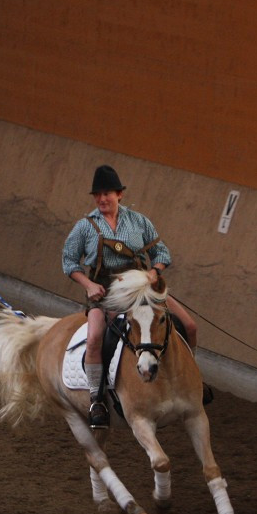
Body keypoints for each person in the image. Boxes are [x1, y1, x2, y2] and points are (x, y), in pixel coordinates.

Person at [61, 164, 203, 428]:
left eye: (108, 194)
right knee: (94, 339)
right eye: (98, 195)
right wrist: (88, 284)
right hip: (105, 293)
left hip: (141, 288)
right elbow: (69, 262)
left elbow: (162, 253)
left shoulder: (139, 221)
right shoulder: (85, 227)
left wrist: (153, 272)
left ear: (119, 195)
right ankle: (96, 399)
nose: (103, 199)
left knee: (190, 326)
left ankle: (191, 382)